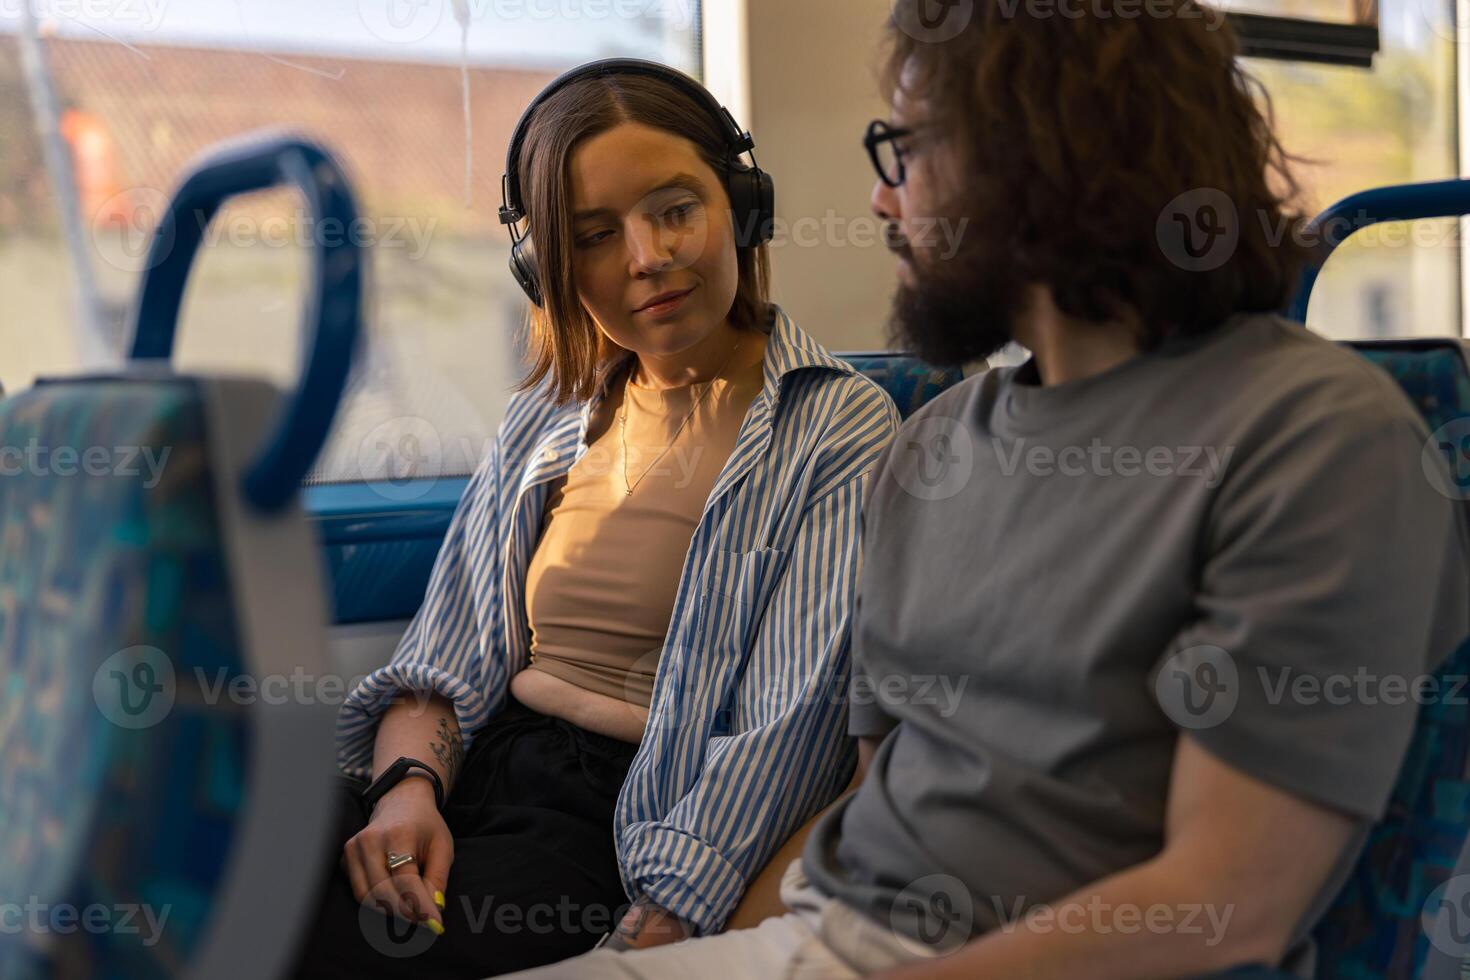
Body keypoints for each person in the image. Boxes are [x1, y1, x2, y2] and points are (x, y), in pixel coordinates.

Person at [502, 2, 1470, 978]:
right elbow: (879, 805)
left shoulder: (1315, 435)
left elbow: (1228, 900)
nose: (882, 202)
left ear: (1036, 154)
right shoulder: (934, 446)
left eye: (907, 150)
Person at [290, 60, 899, 979]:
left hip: (614, 821)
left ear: (741, 206)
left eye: (675, 209)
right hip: (472, 769)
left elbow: (790, 729)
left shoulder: (838, 426)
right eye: (596, 236)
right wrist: (404, 796)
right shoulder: (545, 416)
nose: (647, 256)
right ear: (547, 269)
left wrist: (665, 918)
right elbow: (445, 660)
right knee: (198, 864)